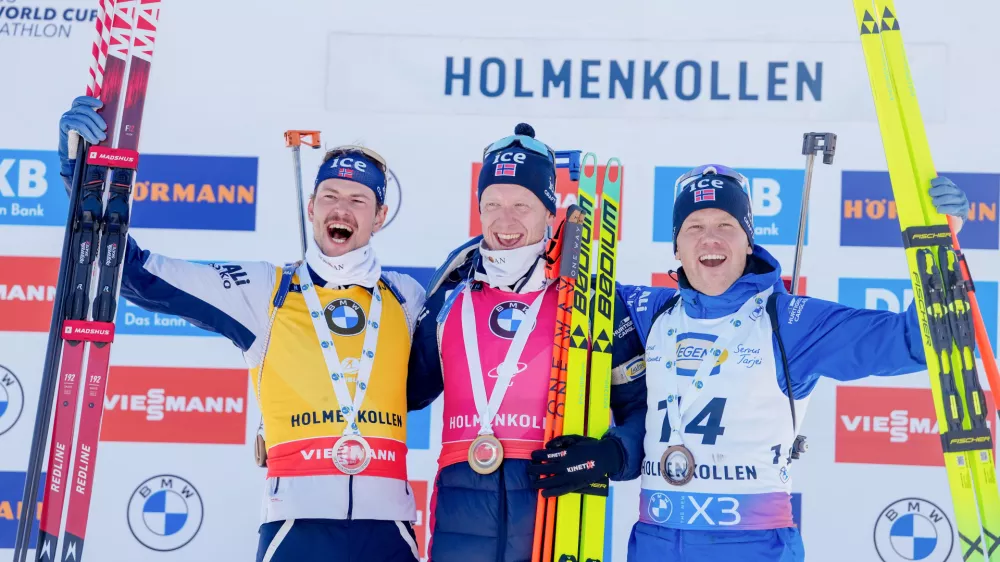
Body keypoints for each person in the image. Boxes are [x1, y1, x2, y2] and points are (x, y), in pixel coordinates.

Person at [525, 164, 972, 561]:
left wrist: (941, 244)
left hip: (752, 544)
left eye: (725, 224)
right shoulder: (649, 311)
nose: (710, 238)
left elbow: (914, 342)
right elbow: (550, 289)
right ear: (676, 247)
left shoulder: (790, 322)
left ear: (747, 240)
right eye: (694, 227)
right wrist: (524, 208)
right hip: (654, 540)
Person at [58, 96, 427, 562]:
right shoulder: (263, 291)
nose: (342, 210)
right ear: (311, 207)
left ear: (380, 216)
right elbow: (139, 276)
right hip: (295, 527)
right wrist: (81, 181)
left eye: (358, 200)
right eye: (330, 196)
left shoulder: (406, 297)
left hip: (390, 529)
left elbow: (437, 379)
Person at [407, 123, 595, 562]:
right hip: (461, 499)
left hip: (551, 498)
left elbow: (633, 404)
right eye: (491, 204)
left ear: (550, 212)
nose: (504, 220)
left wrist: (609, 454)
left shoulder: (583, 297)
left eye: (521, 205)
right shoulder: (452, 294)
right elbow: (412, 392)